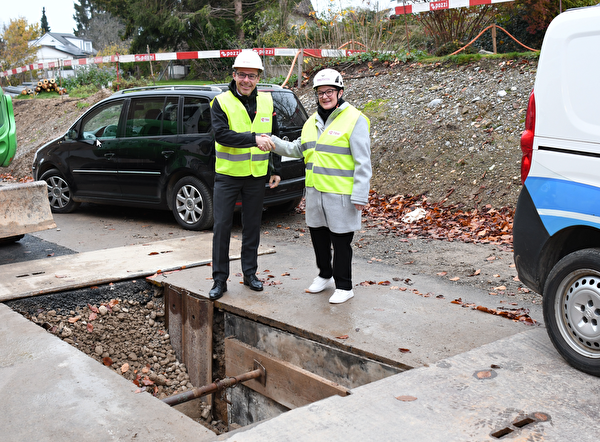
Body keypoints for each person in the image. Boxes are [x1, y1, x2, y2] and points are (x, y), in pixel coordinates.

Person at [265, 68, 372, 304]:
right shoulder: (311, 122)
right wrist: (272, 142)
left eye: (330, 91)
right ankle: (325, 276)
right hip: (315, 193)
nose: (325, 96)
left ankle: (344, 286)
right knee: (319, 237)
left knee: (341, 241)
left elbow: (363, 162)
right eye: (320, 92)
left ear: (340, 91)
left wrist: (360, 195)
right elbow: (296, 149)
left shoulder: (355, 119)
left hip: (341, 194)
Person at [208, 50, 280, 301]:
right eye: (241, 75)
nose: (246, 80)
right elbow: (222, 135)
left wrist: (275, 169)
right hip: (227, 176)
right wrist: (253, 139)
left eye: (251, 75)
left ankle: (250, 274)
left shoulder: (268, 103)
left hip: (256, 175)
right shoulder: (221, 102)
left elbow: (274, 139)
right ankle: (219, 279)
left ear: (258, 77)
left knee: (252, 226)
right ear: (234, 75)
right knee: (222, 227)